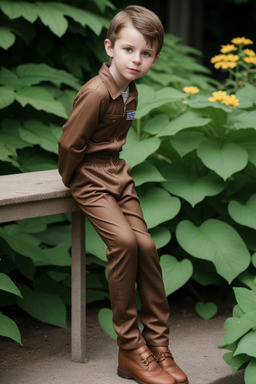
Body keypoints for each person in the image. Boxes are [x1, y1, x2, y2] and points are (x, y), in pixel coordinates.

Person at [58, 5, 189, 384]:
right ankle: (130, 349)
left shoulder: (131, 92)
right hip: (89, 177)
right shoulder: (97, 92)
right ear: (110, 47)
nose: (137, 59)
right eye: (129, 49)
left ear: (155, 57)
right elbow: (70, 144)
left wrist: (112, 172)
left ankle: (158, 345)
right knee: (124, 243)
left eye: (146, 53)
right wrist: (74, 181)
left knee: (147, 247)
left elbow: (116, 141)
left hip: (118, 173)